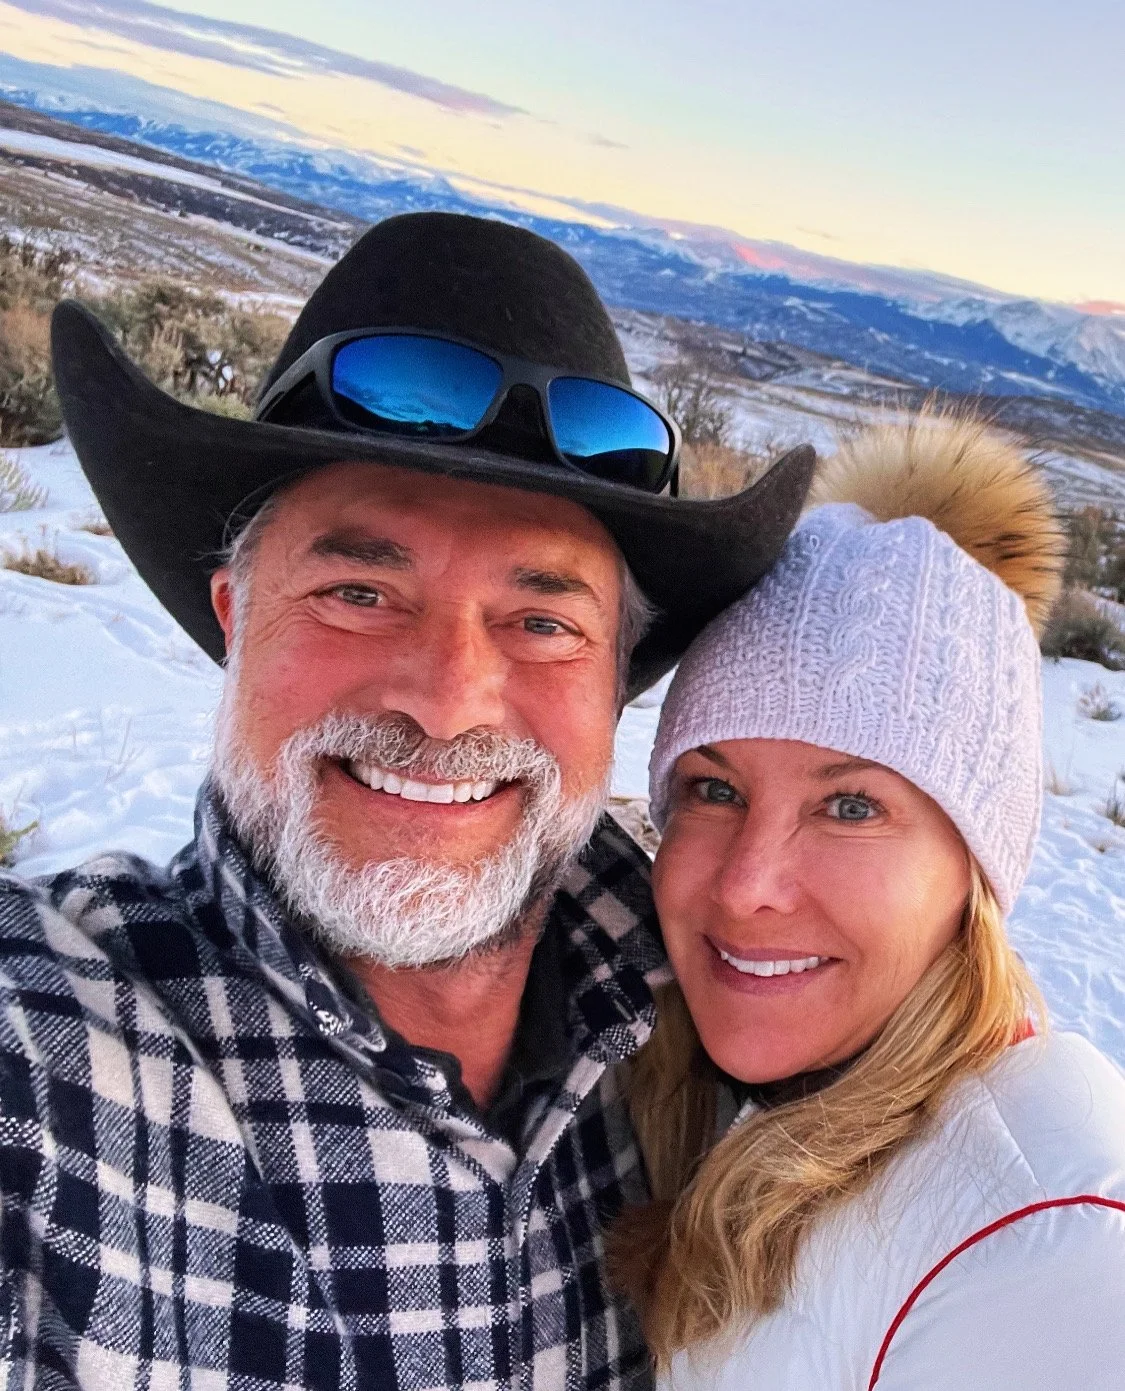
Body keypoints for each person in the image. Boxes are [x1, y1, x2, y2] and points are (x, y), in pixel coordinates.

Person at [0, 212, 814, 1388]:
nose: (447, 705)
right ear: (234, 618)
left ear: (614, 685)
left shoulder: (724, 1021)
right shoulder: (57, 1060)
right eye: (359, 591)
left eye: (542, 622)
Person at [612, 413, 1125, 1389]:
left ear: (974, 867)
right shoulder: (677, 1080)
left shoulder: (1049, 1257)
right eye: (714, 789)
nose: (748, 884)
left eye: (851, 805)